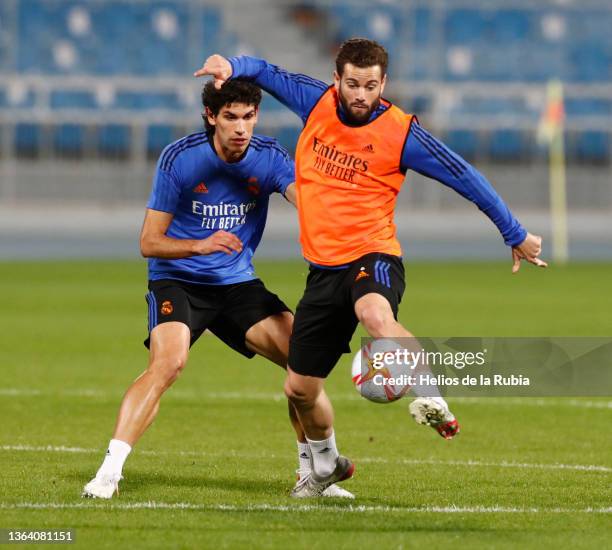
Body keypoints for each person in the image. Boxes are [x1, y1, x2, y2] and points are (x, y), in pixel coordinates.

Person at [195, 38, 548, 498]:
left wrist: (514, 232)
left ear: (384, 84)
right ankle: (320, 472)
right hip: (323, 270)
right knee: (299, 390)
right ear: (337, 79)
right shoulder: (315, 100)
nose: (361, 95)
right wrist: (231, 64)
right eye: (353, 84)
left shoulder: (401, 132)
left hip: (373, 255)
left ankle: (428, 394)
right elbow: (264, 70)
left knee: (375, 316)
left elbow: (465, 177)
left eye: (371, 86)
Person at [82, 79, 353, 499]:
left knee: (302, 363)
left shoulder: (268, 158)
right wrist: (200, 244)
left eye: (248, 116)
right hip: (179, 278)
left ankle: (313, 476)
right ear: (211, 117)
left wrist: (333, 220)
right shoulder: (181, 159)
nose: (241, 127)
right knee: (169, 364)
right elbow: (148, 243)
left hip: (237, 283)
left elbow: (308, 202)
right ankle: (108, 473)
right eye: (230, 117)